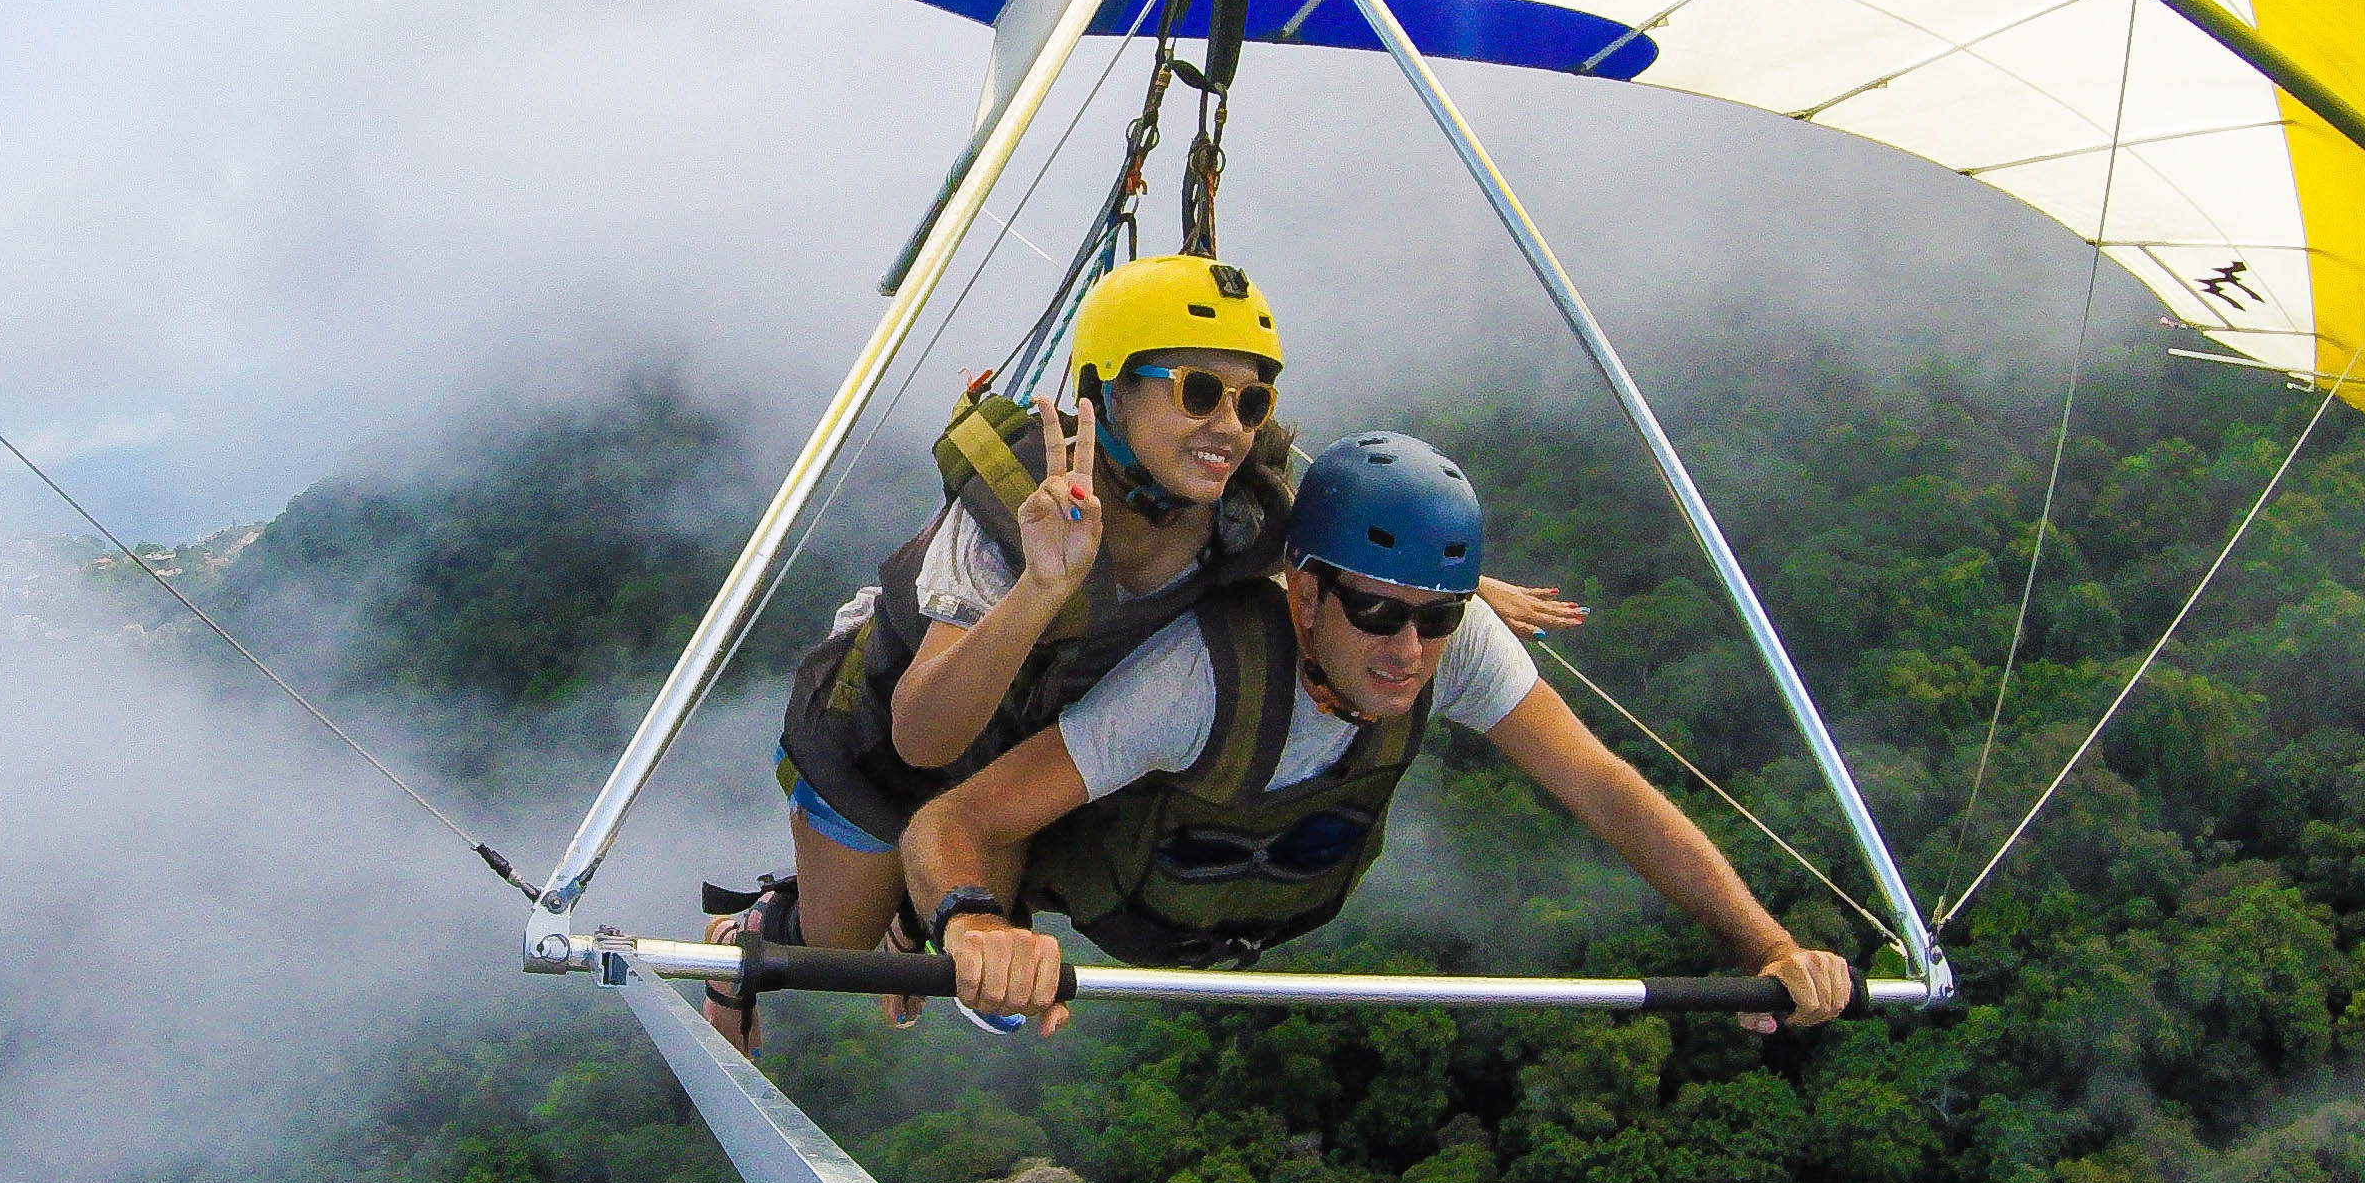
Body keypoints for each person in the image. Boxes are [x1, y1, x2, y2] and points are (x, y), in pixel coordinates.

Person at [712, 257, 1581, 1048]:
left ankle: (918, 907)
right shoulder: (1008, 529)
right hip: (880, 741)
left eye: (1253, 402)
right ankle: (748, 932)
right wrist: (1039, 592)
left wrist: (1455, 591)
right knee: (834, 951)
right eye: (1199, 391)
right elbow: (922, 741)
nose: (1230, 427)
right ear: (1110, 394)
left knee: (986, 979)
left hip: (1007, 765)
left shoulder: (1241, 514)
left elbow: (1339, 563)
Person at [896, 431, 1856, 1036]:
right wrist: (971, 919)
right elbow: (953, 820)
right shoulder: (1192, 678)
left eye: (1438, 616)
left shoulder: (1453, 641)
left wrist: (1766, 946)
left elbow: (1604, 789)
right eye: (1377, 613)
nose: (1411, 649)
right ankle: (858, 925)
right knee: (878, 915)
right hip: (1115, 890)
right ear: (1305, 594)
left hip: (1251, 900)